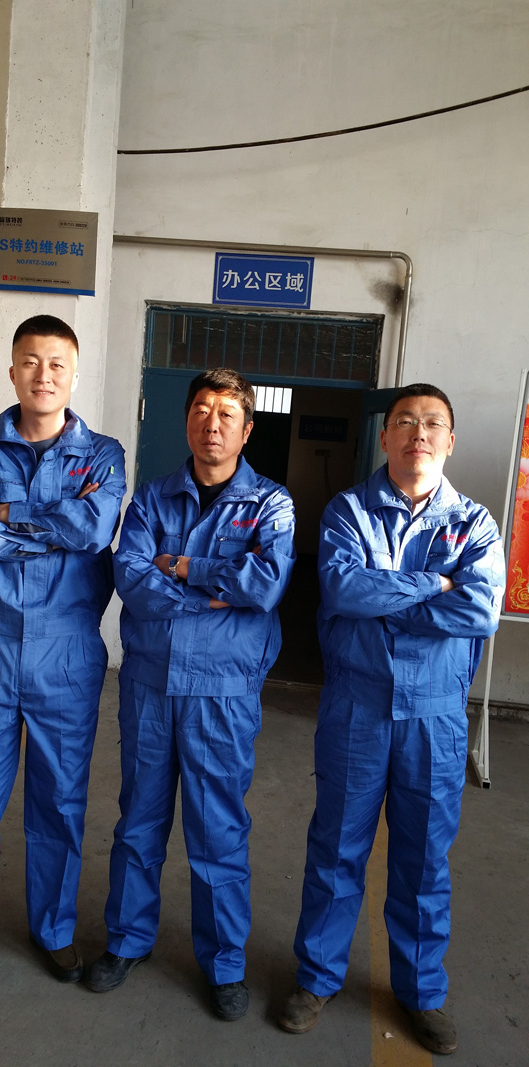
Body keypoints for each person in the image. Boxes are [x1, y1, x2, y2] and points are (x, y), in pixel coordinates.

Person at [278, 384, 505, 1055]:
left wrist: (389, 598)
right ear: (385, 436)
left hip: (435, 716)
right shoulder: (349, 510)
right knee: (336, 849)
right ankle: (317, 978)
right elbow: (344, 588)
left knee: (424, 858)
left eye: (432, 423)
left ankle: (421, 991)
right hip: (358, 707)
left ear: (450, 440)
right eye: (405, 421)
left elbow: (480, 610)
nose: (418, 433)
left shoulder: (475, 523)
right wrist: (436, 584)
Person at [86, 368, 296, 1021]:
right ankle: (127, 939)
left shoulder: (271, 504)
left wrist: (181, 566)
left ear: (247, 429)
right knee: (139, 820)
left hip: (222, 691)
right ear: (186, 421)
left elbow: (264, 584)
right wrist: (212, 594)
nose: (212, 423)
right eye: (201, 409)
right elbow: (130, 575)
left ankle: (224, 963)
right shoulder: (152, 499)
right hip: (151, 684)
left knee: (218, 829)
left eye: (227, 413)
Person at [0, 315, 126, 988]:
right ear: (12, 370)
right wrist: (52, 525)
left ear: (73, 374)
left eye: (57, 364)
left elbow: (93, 530)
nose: (44, 375)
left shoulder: (103, 455)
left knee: (59, 801)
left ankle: (54, 928)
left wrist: (5, 517)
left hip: (65, 652)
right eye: (31, 362)